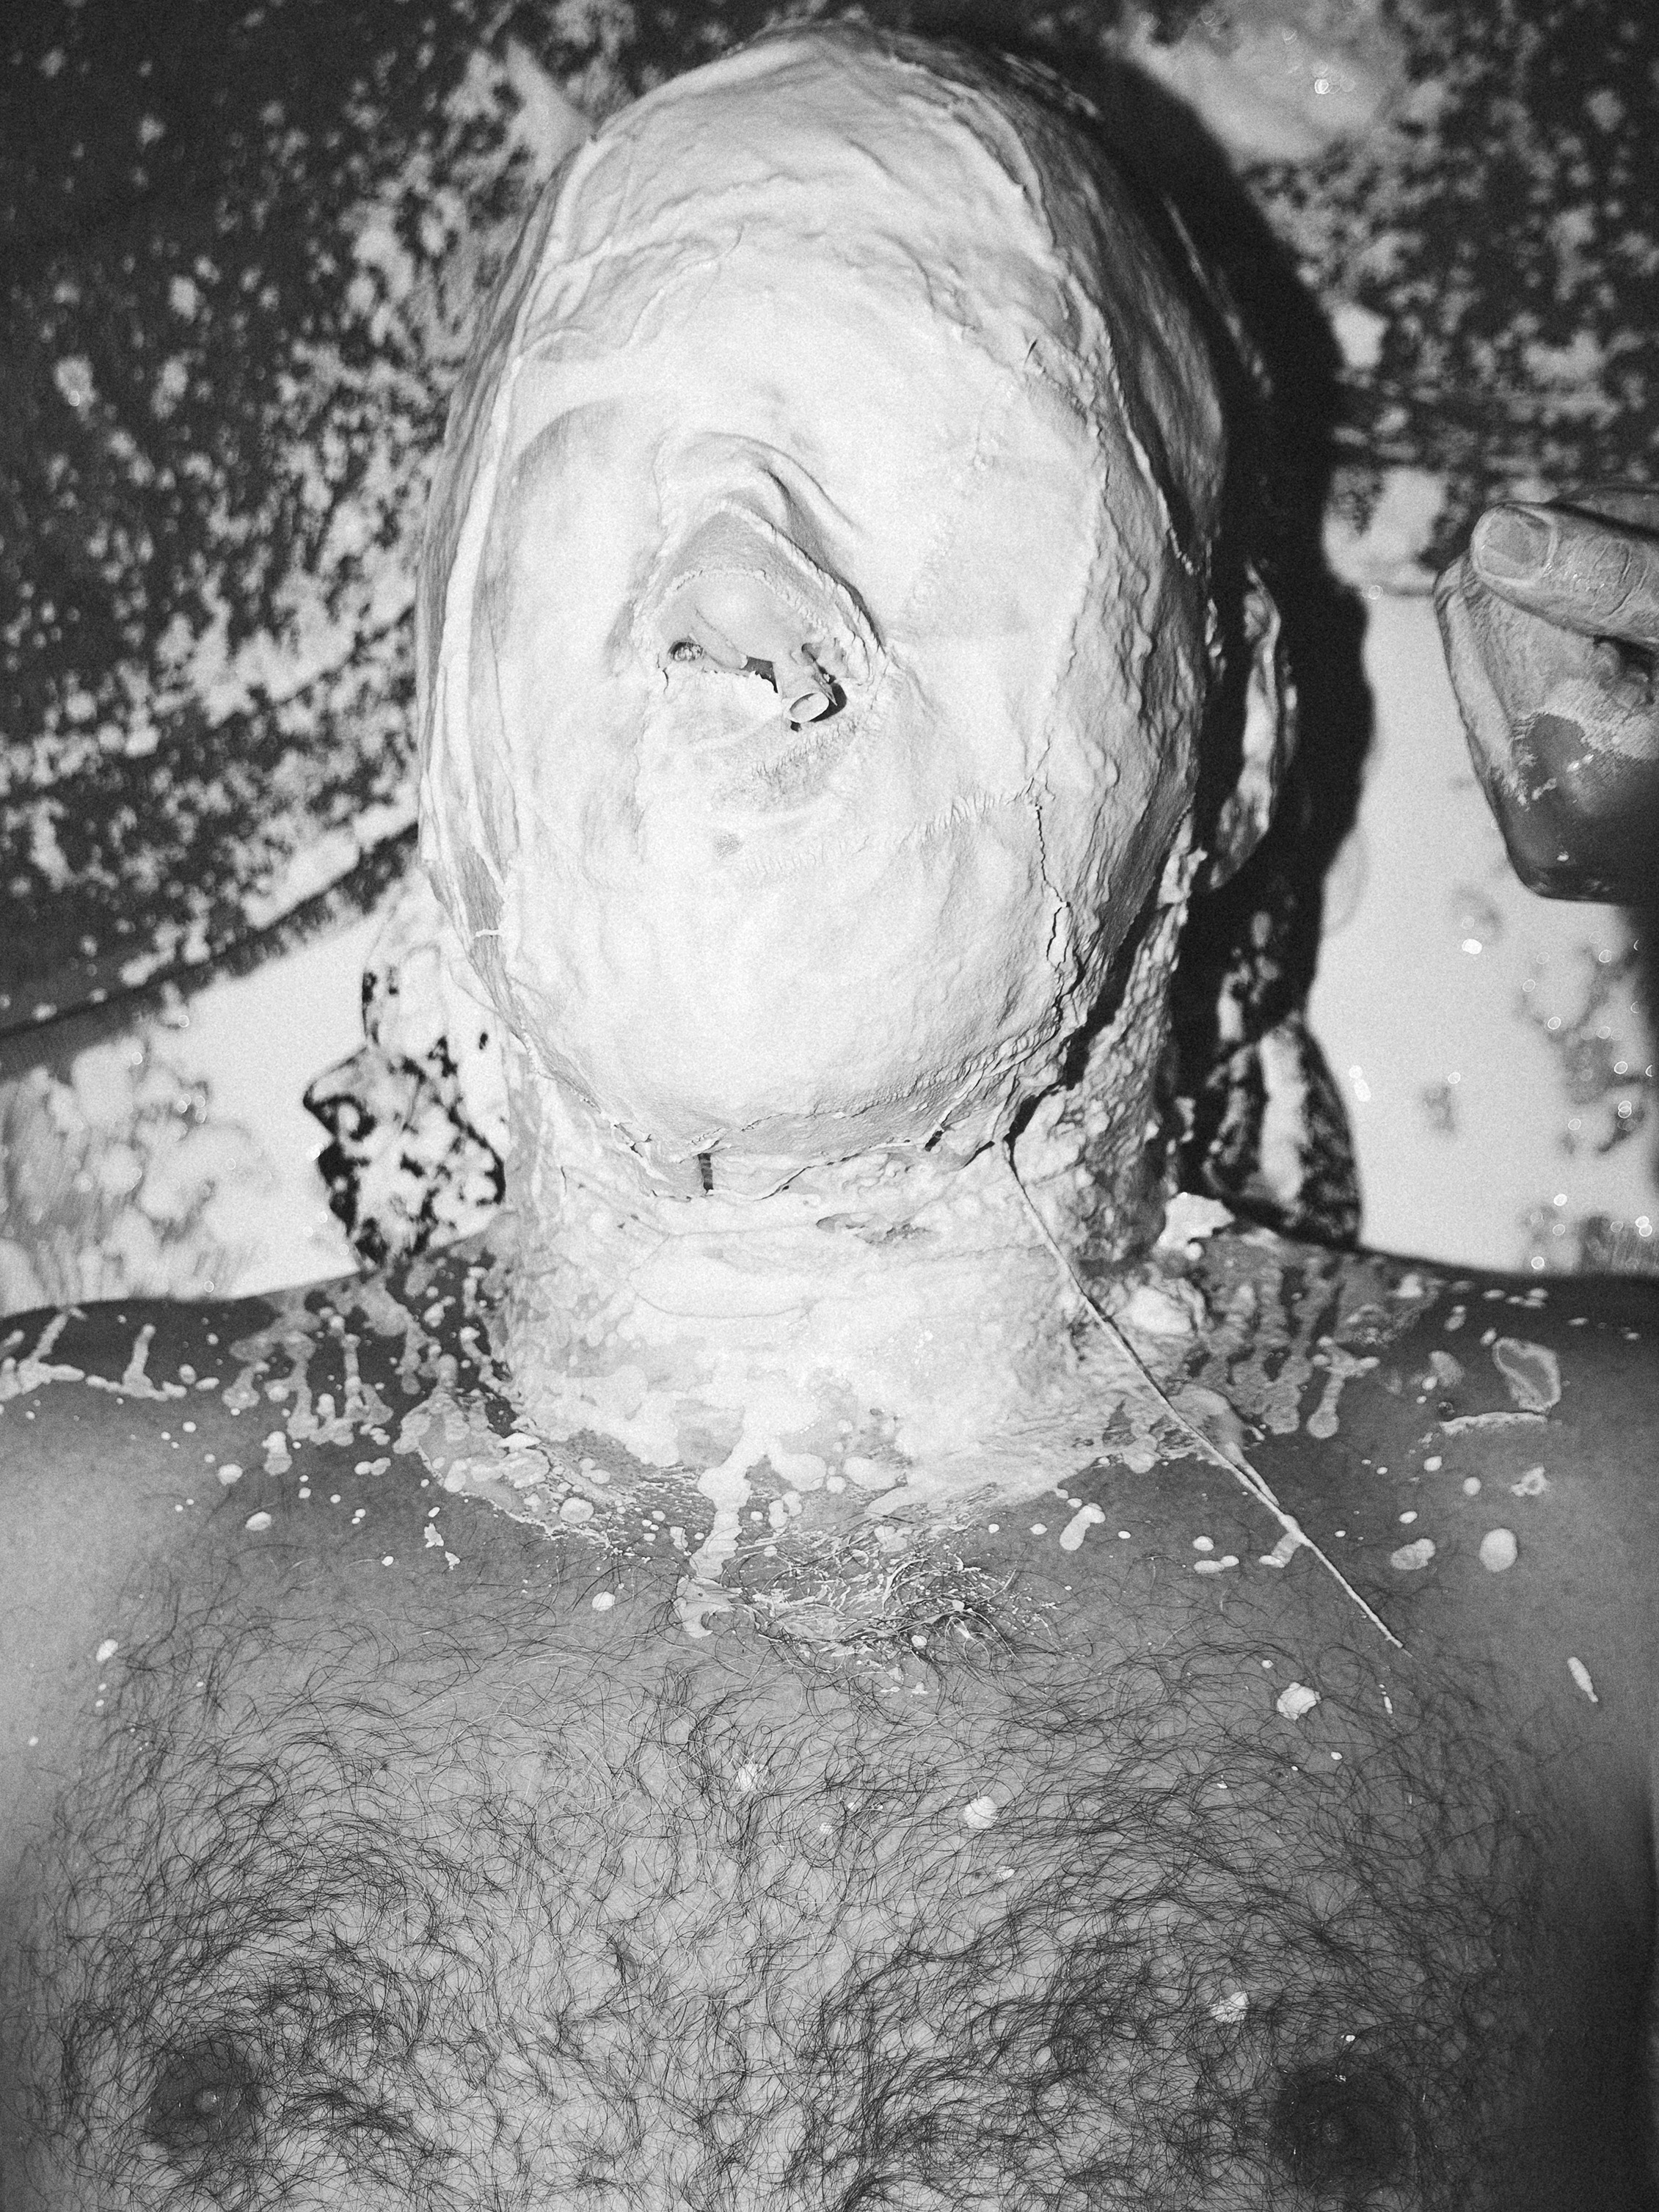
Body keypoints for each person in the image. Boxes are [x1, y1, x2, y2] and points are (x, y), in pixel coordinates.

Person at [1, 24, 1656, 2209]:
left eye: (944, 443)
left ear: (1240, 726)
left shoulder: (1598, 1528)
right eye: (596, 448)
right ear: (437, 689)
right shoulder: (40, 1537)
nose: (728, 603)